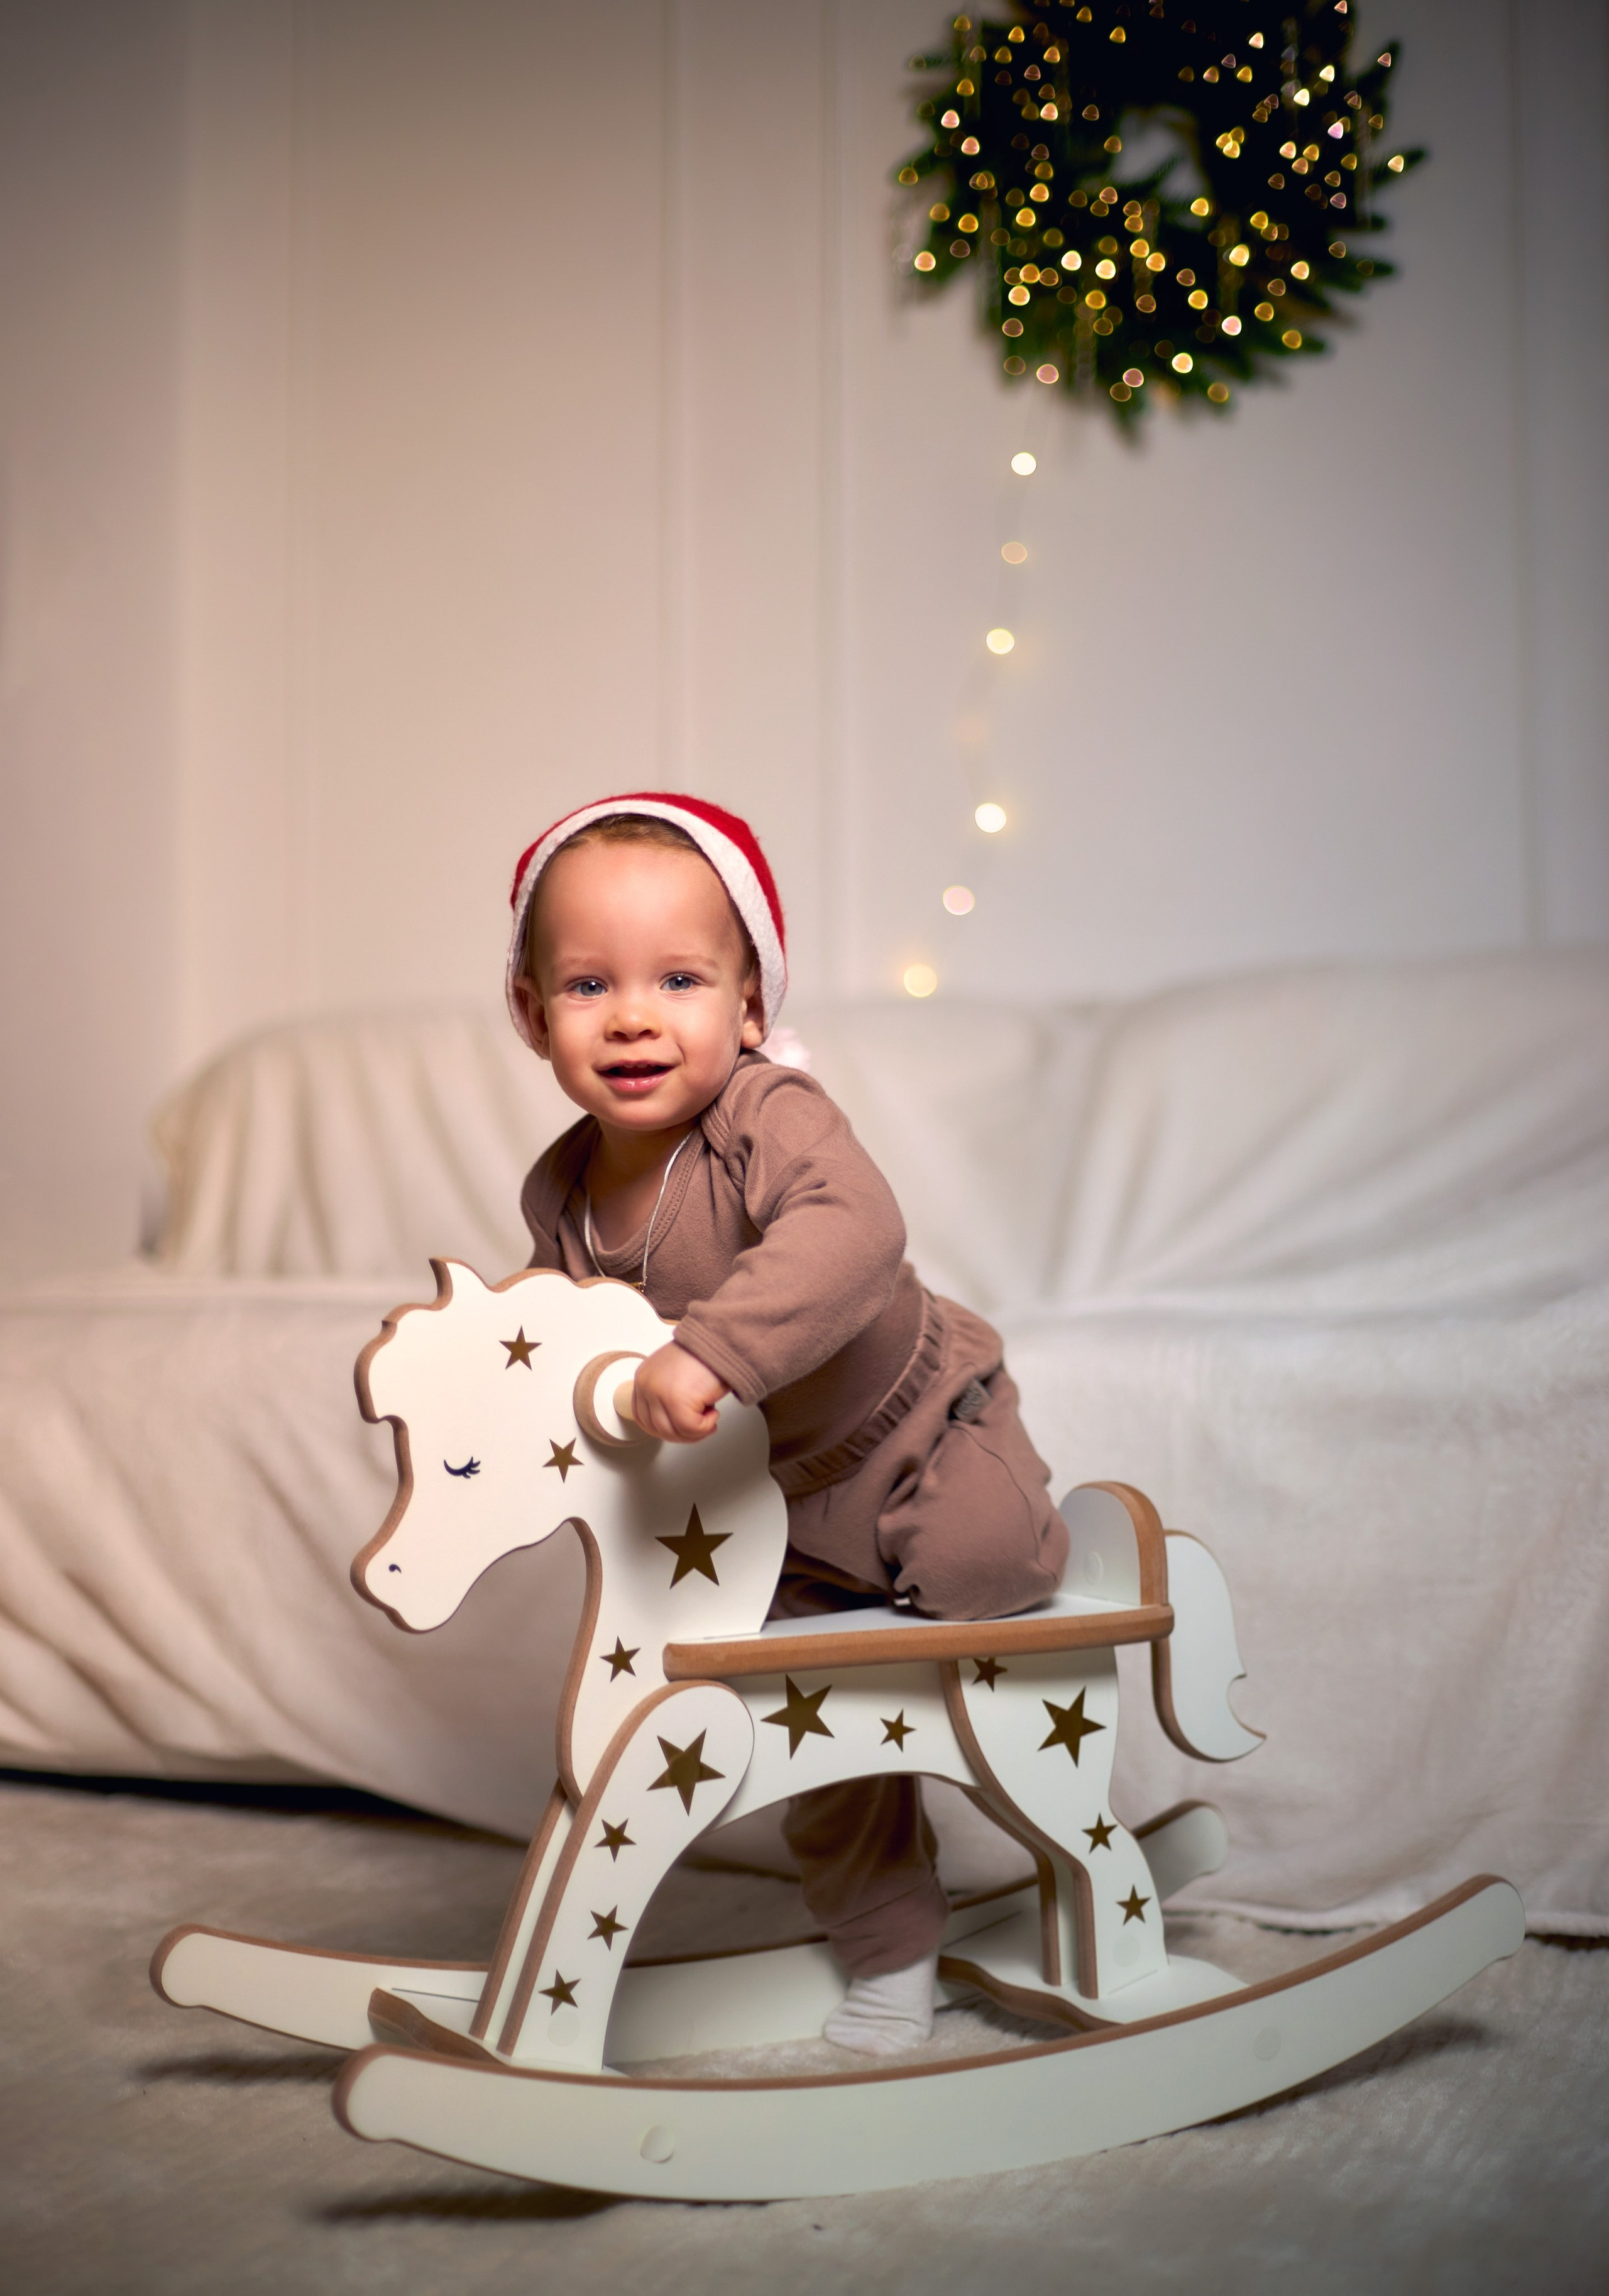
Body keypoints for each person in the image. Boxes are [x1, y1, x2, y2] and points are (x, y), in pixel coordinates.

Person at [508, 792, 1068, 2053]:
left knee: (976, 1560)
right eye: (590, 983)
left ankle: (1020, 1548)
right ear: (530, 1013)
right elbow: (553, 1345)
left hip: (918, 1427)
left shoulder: (768, 1114)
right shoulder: (560, 1191)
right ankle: (887, 1956)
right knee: (813, 1746)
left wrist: (709, 1346)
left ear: (749, 1006)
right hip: (768, 1514)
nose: (635, 1014)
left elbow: (853, 1230)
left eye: (681, 978)